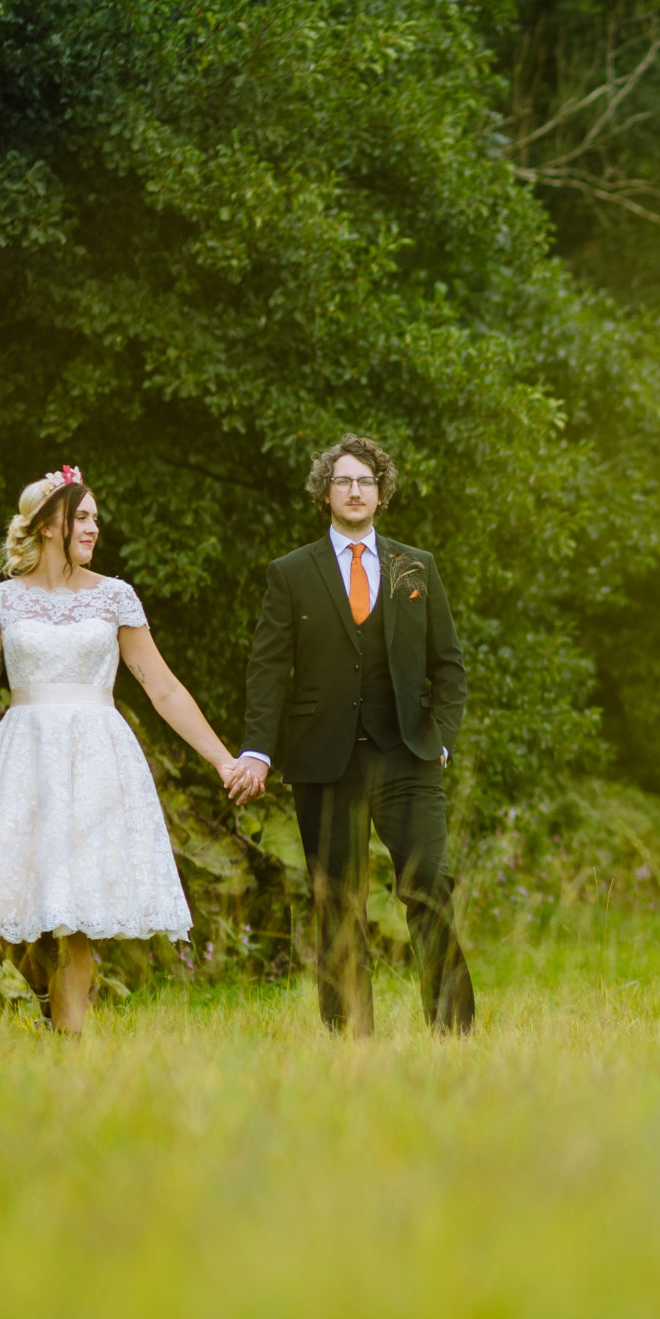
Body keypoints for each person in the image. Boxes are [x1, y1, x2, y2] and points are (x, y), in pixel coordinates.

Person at [0, 466, 258, 1032]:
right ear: (46, 527)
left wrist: (222, 759)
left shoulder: (115, 597)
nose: (92, 529)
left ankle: (69, 1038)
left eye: (94, 519)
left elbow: (162, 687)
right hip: (25, 759)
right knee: (18, 904)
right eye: (80, 517)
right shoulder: (3, 602)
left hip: (95, 761)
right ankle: (46, 996)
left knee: (76, 908)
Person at [230, 435, 473, 1035]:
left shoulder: (416, 567)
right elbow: (267, 668)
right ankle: (349, 1038)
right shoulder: (289, 573)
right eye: (343, 480)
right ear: (326, 492)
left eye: (366, 480)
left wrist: (440, 736)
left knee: (430, 888)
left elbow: (450, 665)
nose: (355, 490)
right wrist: (257, 749)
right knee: (338, 902)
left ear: (381, 491)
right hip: (324, 761)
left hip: (409, 756)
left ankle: (454, 1031)